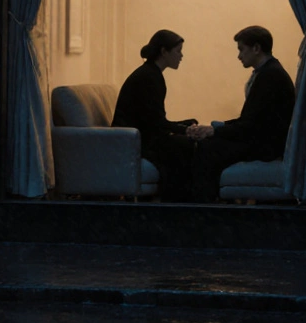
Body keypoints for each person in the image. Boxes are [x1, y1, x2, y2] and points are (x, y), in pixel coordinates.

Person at [187, 26, 295, 202]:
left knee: (207, 149)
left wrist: (215, 131)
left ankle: (204, 207)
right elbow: (251, 121)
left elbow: (251, 125)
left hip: (265, 146)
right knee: (210, 143)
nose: (239, 56)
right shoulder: (271, 72)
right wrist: (219, 128)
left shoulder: (270, 76)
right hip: (265, 140)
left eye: (241, 49)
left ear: (256, 48)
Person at [111, 30, 199, 202]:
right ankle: (177, 202)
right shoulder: (149, 77)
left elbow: (154, 119)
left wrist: (182, 127)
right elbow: (154, 122)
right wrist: (184, 129)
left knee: (183, 144)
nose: (181, 56)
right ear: (164, 52)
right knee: (185, 147)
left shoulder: (151, 74)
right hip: (137, 141)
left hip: (141, 135)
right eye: (178, 51)